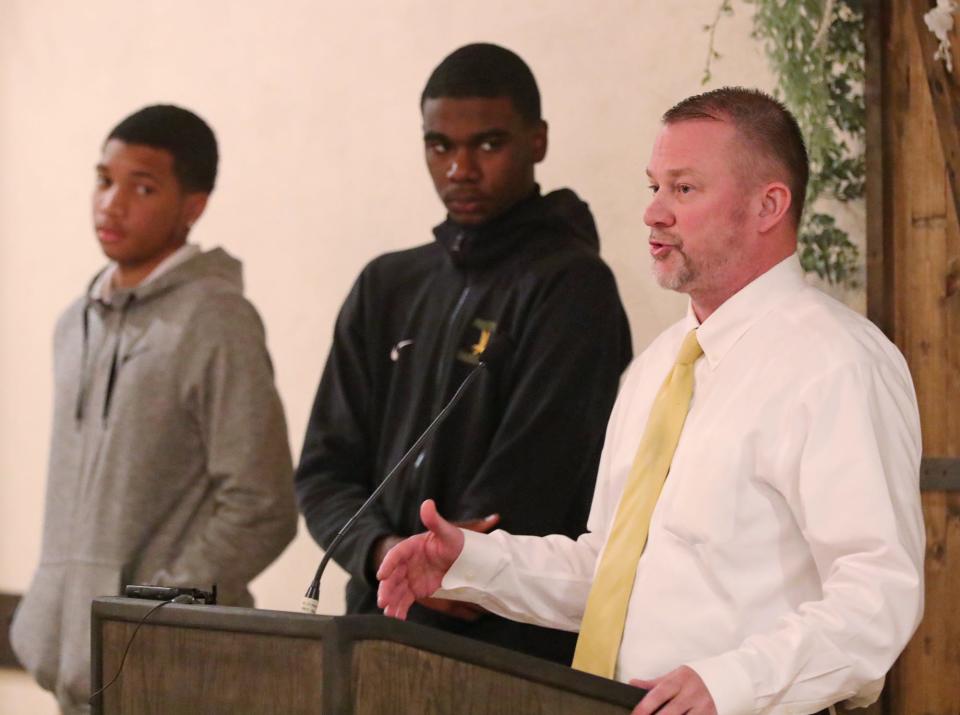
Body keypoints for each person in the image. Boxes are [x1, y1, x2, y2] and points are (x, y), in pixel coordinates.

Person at [377, 87, 925, 715]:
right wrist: (469, 564)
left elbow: (879, 593)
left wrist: (731, 683)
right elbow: (612, 575)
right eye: (653, 187)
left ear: (768, 205)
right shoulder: (656, 367)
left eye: (684, 190)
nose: (653, 214)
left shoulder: (837, 363)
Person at [295, 43, 632, 664]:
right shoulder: (386, 286)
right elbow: (323, 472)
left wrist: (459, 564)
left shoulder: (573, 287)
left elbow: (541, 478)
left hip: (509, 653)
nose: (460, 168)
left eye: (488, 143)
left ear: (538, 141)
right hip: (375, 634)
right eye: (440, 145)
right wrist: (380, 553)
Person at [10, 105, 297, 714]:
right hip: (71, 672)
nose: (111, 203)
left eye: (142, 187)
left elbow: (262, 507)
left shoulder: (217, 321)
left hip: (174, 677)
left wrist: (149, 609)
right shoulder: (74, 323)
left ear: (193, 205)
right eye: (104, 179)